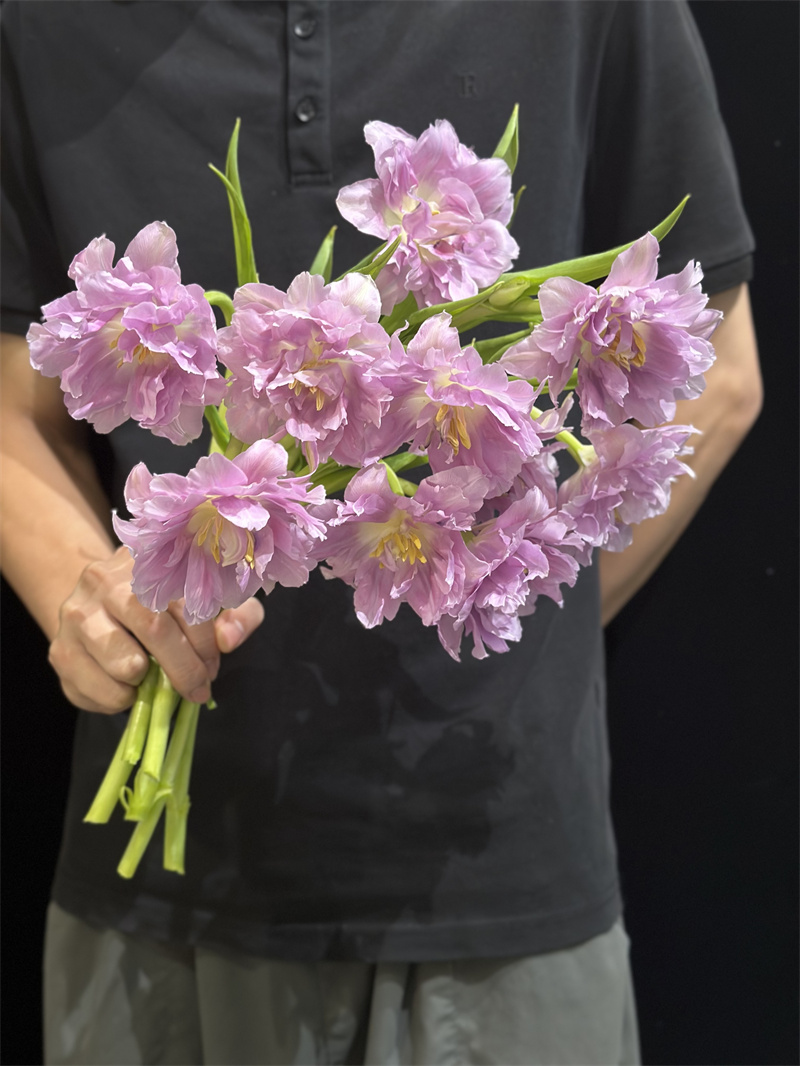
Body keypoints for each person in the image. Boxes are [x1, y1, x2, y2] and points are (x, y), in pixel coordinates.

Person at [0, 2, 761, 1063]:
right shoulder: (44, 22)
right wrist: (99, 610)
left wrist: (501, 577)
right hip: (171, 887)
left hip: (499, 865)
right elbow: (18, 408)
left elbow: (716, 377)